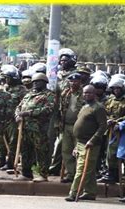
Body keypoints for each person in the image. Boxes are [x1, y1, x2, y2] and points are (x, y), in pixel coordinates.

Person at [65, 85, 107, 201]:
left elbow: (103, 126)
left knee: (82, 169)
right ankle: (90, 192)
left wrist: (92, 140)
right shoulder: (84, 106)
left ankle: (73, 193)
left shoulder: (98, 108)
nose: (86, 95)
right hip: (80, 142)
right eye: (84, 93)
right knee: (89, 169)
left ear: (94, 94)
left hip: (91, 144)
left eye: (89, 93)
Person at [13, 73, 55, 182]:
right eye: (34, 82)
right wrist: (18, 115)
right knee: (25, 150)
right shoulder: (29, 94)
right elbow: (19, 107)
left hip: (39, 128)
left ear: (44, 83)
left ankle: (43, 174)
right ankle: (26, 173)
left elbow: (48, 110)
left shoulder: (48, 95)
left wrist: (29, 113)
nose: (35, 84)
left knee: (41, 151)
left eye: (38, 82)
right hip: (25, 127)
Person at [48, 48, 78, 176]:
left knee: (63, 143)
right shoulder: (56, 75)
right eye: (61, 60)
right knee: (50, 139)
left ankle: (61, 167)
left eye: (66, 59)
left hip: (69, 111)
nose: (63, 62)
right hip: (56, 111)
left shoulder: (77, 75)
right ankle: (49, 166)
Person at [0, 65, 27, 172]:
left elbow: (24, 104)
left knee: (13, 142)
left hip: (14, 120)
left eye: (8, 78)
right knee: (0, 142)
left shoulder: (22, 90)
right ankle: (1, 161)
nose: (6, 80)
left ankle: (10, 163)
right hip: (4, 119)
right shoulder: (5, 88)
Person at [101, 77, 125, 184]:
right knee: (109, 152)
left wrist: (116, 121)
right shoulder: (109, 100)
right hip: (109, 129)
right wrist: (108, 120)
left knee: (121, 153)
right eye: (114, 88)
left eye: (118, 88)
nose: (116, 91)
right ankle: (111, 173)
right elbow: (104, 112)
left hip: (121, 130)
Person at [59, 72, 85, 183]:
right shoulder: (66, 93)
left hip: (79, 127)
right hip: (66, 126)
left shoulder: (84, 93)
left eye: (76, 81)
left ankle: (79, 176)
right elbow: (61, 108)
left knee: (78, 151)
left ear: (80, 82)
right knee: (66, 150)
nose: (73, 83)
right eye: (71, 81)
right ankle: (70, 174)